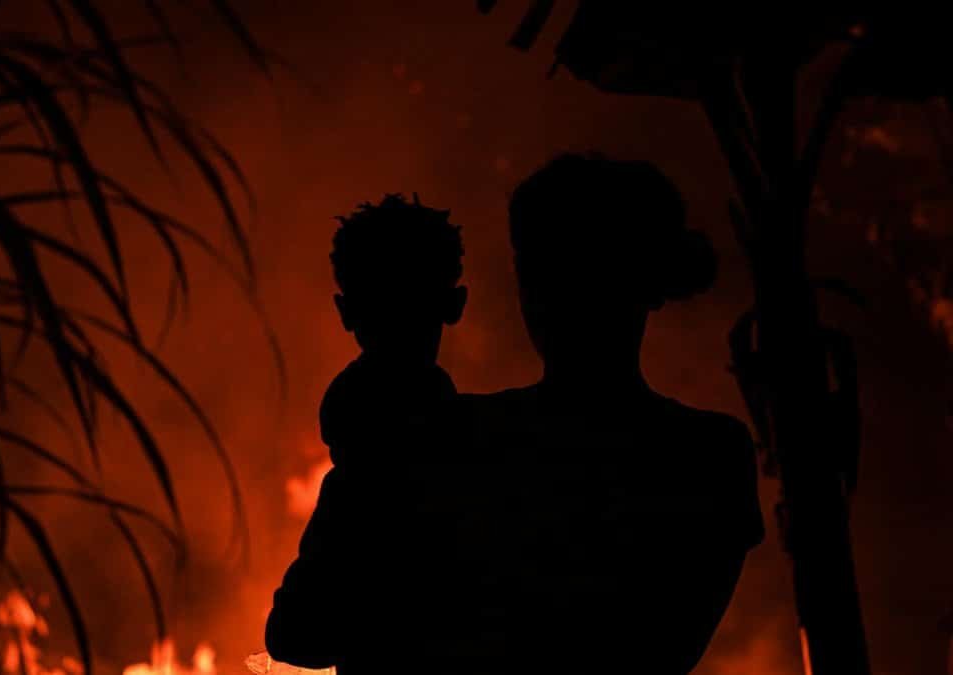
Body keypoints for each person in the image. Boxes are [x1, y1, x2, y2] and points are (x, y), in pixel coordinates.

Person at [446, 153, 765, 673]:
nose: (546, 298)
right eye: (536, 271)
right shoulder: (708, 454)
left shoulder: (467, 437)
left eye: (578, 272)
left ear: (643, 286)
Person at [265, 194, 469, 673]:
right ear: (454, 304)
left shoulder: (360, 477)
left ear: (346, 311)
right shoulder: (484, 456)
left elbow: (293, 633)